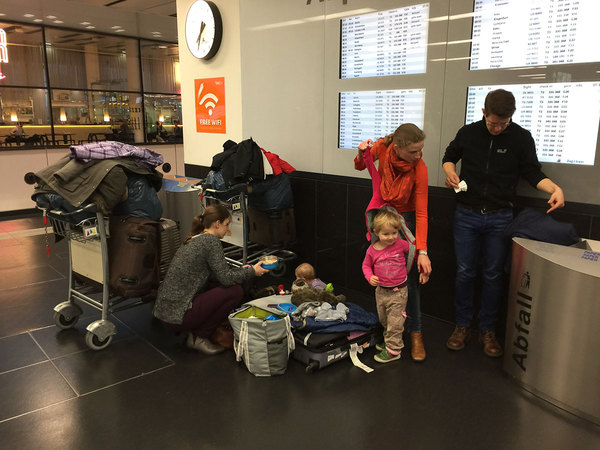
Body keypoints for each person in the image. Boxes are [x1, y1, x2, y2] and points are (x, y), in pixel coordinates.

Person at [442, 89, 565, 358]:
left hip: (500, 216)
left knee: (494, 274)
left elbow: (532, 173)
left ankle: (488, 330)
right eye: (493, 122)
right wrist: (450, 173)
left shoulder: (521, 138)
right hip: (467, 212)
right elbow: (449, 156)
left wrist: (554, 188)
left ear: (511, 117)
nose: (497, 128)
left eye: (503, 123)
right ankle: (462, 325)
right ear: (484, 113)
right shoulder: (469, 132)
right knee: (464, 271)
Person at [355, 123, 432, 362]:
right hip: (382, 215)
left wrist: (422, 251)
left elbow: (421, 213)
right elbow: (359, 165)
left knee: (410, 282)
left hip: (405, 221)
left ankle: (416, 334)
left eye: (420, 150)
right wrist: (361, 151)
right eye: (413, 151)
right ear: (397, 147)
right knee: (381, 272)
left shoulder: (419, 167)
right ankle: (388, 331)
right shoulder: (384, 148)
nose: (418, 155)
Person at [153, 204, 270, 355]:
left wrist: (243, 271)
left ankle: (198, 332)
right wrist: (252, 271)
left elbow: (218, 274)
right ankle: (199, 337)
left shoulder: (194, 238)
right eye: (227, 224)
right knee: (234, 291)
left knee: (219, 284)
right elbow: (226, 279)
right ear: (217, 223)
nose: (228, 229)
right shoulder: (211, 241)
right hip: (178, 316)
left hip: (167, 313)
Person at [362, 209, 410, 363]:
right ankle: (389, 341)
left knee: (395, 323)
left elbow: (414, 252)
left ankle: (394, 350)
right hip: (381, 291)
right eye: (386, 234)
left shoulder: (401, 244)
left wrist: (422, 265)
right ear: (376, 232)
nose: (391, 237)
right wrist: (370, 277)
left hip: (398, 292)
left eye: (394, 233)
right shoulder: (372, 250)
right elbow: (366, 266)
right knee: (384, 319)